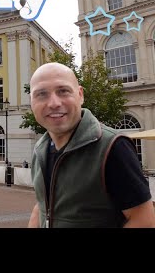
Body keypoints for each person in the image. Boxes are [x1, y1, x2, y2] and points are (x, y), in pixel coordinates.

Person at [27, 62, 155, 228]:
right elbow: (42, 206)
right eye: (41, 94)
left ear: (80, 94)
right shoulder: (40, 150)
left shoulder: (113, 147)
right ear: (31, 101)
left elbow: (144, 220)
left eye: (63, 91)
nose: (53, 103)